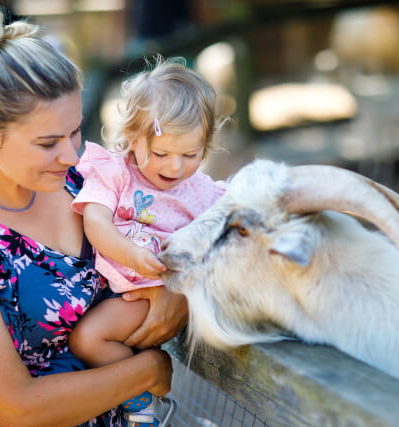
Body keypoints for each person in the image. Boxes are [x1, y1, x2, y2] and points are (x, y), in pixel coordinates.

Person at [0, 6, 188, 427]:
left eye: (75, 130)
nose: (71, 154)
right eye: (49, 141)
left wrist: (171, 288)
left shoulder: (79, 177)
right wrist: (147, 372)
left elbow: (170, 223)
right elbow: (17, 407)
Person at [67, 57, 226, 426]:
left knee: (88, 340)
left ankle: (140, 404)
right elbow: (96, 223)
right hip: (128, 279)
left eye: (191, 154)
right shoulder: (115, 173)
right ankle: (140, 382)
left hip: (149, 293)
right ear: (134, 139)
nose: (175, 168)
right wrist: (133, 255)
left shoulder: (205, 193)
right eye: (161, 154)